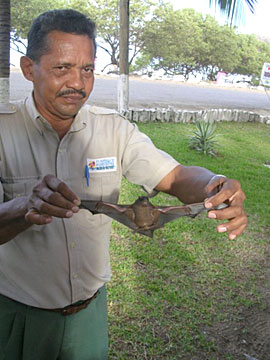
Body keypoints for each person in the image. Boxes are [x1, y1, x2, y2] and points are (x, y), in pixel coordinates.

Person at [0, 9, 247, 360]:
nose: (78, 83)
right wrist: (25, 206)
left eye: (87, 69)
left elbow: (174, 177)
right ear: (29, 69)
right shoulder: (4, 130)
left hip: (89, 314)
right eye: (62, 68)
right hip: (18, 315)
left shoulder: (113, 130)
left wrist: (215, 185)